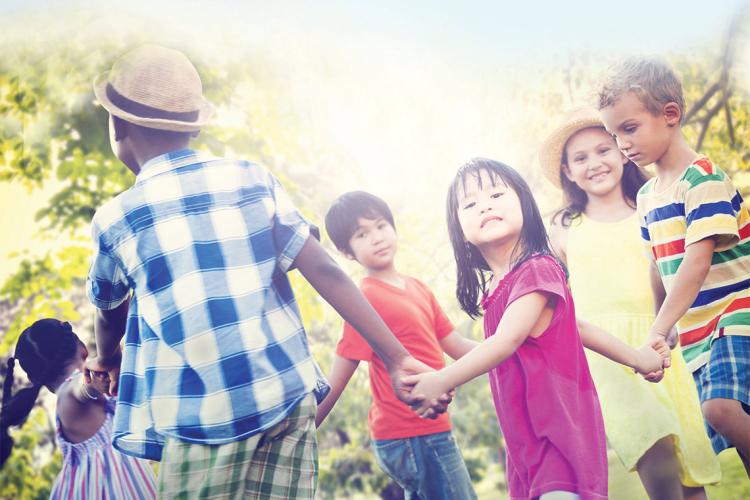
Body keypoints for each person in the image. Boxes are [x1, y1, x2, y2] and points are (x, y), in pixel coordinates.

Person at [83, 44, 448, 498]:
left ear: (118, 127)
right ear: (194, 127)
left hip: (202, 418)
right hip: (284, 399)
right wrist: (396, 358)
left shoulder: (117, 218)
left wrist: (106, 355)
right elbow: (325, 269)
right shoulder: (250, 179)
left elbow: (108, 306)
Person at [404, 158, 669, 500]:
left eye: (496, 194)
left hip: (556, 432)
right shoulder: (498, 290)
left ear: (525, 207)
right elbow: (570, 331)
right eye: (469, 204)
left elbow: (506, 342)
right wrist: (638, 358)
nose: (484, 205)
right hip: (524, 442)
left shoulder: (538, 270)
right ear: (461, 233)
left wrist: (443, 379)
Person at [541, 107, 720, 499]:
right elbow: (557, 301)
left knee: (690, 469)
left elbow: (674, 271)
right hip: (607, 355)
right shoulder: (564, 227)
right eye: (580, 158)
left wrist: (669, 325)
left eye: (603, 150)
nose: (595, 163)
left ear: (622, 152)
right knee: (652, 443)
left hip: (662, 340)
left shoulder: (652, 207)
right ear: (568, 172)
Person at [599, 57, 750, 477]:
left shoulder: (702, 181)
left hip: (737, 314)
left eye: (629, 128)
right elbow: (660, 267)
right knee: (738, 435)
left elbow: (696, 263)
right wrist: (663, 329)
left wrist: (655, 329)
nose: (622, 144)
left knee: (720, 409)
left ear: (670, 115)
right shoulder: (648, 197)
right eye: (614, 134)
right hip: (701, 331)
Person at [316, 191, 477, 500]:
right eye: (362, 234)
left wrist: (512, 346)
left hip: (430, 429)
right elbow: (339, 375)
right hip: (410, 435)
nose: (376, 238)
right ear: (347, 251)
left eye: (380, 226)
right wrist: (306, 429)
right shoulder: (363, 300)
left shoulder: (418, 288)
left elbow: (455, 345)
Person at [0, 319, 156, 499]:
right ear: (82, 348)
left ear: (34, 379)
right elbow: (80, 387)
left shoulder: (75, 394)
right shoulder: (69, 395)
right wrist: (93, 383)